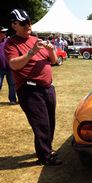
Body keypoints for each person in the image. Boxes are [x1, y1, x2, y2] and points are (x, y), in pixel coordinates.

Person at [4, 9, 61, 165]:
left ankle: (46, 149)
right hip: (30, 90)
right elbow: (14, 65)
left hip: (47, 87)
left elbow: (54, 61)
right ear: (14, 25)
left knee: (50, 122)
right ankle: (46, 156)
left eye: (28, 21)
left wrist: (50, 50)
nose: (27, 25)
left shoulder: (35, 39)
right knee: (41, 123)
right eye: (23, 23)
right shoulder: (11, 43)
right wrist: (31, 52)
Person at [0, 26, 17, 104]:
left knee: (12, 85)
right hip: (0, 68)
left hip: (10, 67)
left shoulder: (8, 41)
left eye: (5, 32)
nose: (5, 33)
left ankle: (12, 100)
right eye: (3, 32)